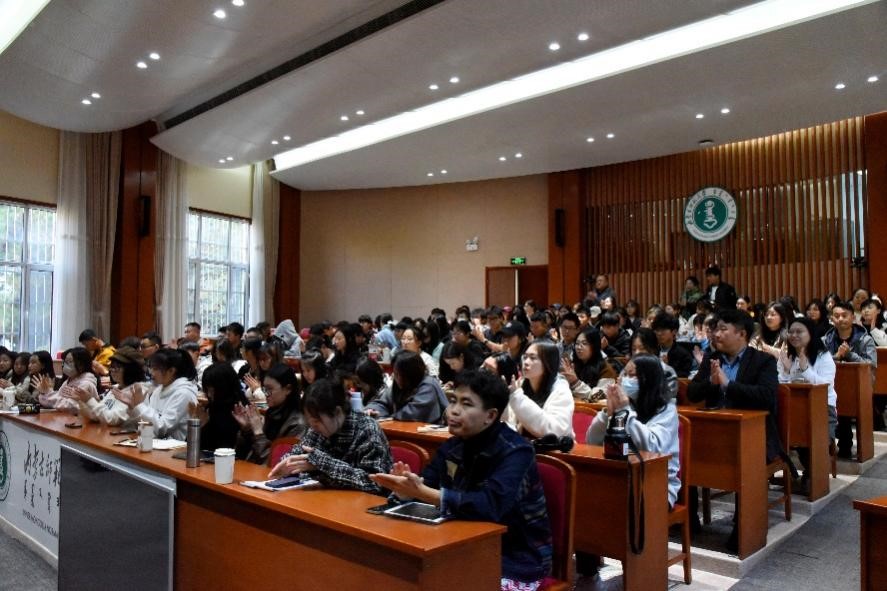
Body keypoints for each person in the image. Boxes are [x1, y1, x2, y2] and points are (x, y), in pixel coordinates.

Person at [371, 370, 553, 589]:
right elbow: (427, 484)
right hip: (459, 544)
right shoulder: (453, 445)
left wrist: (425, 493)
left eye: (466, 404)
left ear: (490, 416)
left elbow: (491, 505)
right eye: (453, 401)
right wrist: (406, 490)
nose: (453, 410)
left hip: (513, 558)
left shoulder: (516, 451)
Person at [687, 309, 783, 552]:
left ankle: (743, 527)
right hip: (714, 434)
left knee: (745, 461)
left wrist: (729, 384)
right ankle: (688, 519)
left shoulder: (763, 361)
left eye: (723, 329)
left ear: (742, 334)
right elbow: (692, 393)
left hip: (754, 437)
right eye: (715, 329)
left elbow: (767, 397)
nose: (716, 334)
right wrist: (711, 382)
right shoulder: (712, 359)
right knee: (683, 454)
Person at [268, 378, 393, 494]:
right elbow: (300, 453)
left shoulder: (367, 429)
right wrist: (289, 463)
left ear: (337, 412)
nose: (313, 427)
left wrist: (322, 464)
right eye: (310, 421)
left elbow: (374, 483)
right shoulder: (318, 430)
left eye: (317, 421)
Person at [586, 355, 681, 507]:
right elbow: (592, 441)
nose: (625, 380)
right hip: (621, 476)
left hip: (656, 483)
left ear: (648, 379)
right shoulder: (626, 404)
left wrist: (624, 412)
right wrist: (607, 415)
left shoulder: (666, 410)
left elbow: (652, 448)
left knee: (615, 503)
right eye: (624, 374)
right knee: (588, 495)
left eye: (632, 375)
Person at [778, 317, 837, 493]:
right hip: (795, 408)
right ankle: (800, 474)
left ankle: (813, 475)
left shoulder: (823, 356)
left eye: (799, 331)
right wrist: (786, 371)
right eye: (791, 332)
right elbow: (782, 386)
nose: (794, 335)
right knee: (784, 434)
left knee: (815, 438)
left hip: (823, 408)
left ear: (810, 333)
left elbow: (824, 386)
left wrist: (805, 369)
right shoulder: (788, 355)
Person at [822, 300, 877, 458]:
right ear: (832, 318)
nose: (840, 319)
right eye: (836, 316)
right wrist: (836, 357)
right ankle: (831, 445)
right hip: (833, 388)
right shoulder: (825, 340)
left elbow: (870, 365)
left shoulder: (865, 339)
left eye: (844, 315)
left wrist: (850, 355)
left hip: (859, 388)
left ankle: (848, 445)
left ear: (853, 317)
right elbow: (818, 363)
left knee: (846, 401)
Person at [114, 348, 198, 440]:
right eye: (151, 368)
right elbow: (147, 425)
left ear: (171, 371)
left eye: (155, 369)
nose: (151, 372)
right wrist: (133, 407)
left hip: (176, 447)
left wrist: (139, 406)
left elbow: (162, 428)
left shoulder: (184, 393)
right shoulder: (158, 390)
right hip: (155, 443)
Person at [234, 363, 306, 464]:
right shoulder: (272, 413)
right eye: (264, 389)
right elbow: (241, 455)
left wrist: (258, 432)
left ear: (288, 389)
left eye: (270, 389)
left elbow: (276, 463)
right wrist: (247, 430)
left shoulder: (298, 424)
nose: (265, 394)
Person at [502, 341, 574, 438]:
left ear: (548, 363)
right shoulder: (519, 384)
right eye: (525, 357)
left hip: (552, 446)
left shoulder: (561, 390)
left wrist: (516, 398)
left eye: (532, 358)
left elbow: (555, 431)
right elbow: (508, 423)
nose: (526, 362)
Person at [365, 351, 448, 423]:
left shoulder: (428, 385)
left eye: (400, 375)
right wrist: (373, 410)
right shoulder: (397, 385)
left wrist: (389, 416)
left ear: (411, 374)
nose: (397, 378)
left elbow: (413, 414)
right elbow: (381, 402)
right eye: (395, 374)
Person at [69, 346, 143, 427]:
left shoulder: (136, 391)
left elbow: (111, 419)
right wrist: (82, 401)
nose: (112, 370)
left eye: (117, 367)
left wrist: (89, 400)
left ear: (131, 370)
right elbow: (97, 416)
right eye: (112, 366)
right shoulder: (116, 387)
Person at [199, 362, 248, 451]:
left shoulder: (240, 409)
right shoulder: (212, 407)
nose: (209, 395)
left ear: (224, 388)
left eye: (212, 390)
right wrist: (198, 425)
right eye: (207, 390)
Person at [561, 326, 617, 401]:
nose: (579, 347)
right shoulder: (572, 365)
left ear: (594, 346)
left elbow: (596, 397)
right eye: (577, 343)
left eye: (584, 343)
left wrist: (575, 382)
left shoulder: (606, 369)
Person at [35, 347, 97, 413]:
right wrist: (44, 393)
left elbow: (70, 407)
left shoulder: (86, 384)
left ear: (81, 365)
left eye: (69, 362)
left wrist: (49, 393)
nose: (64, 365)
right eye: (65, 362)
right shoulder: (68, 381)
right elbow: (56, 401)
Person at [630, 327, 679, 399]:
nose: (637, 353)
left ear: (653, 349)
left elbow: (667, 398)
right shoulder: (629, 369)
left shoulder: (667, 372)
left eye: (642, 348)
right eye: (634, 349)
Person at [651, 312, 694, 378]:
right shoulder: (652, 351)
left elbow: (683, 376)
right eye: (657, 330)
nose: (659, 333)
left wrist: (667, 368)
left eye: (663, 330)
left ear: (674, 331)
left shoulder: (683, 355)